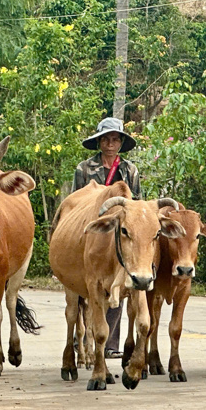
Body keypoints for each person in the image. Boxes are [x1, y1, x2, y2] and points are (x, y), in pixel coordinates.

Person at [72, 117, 142, 358]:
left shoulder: (130, 170)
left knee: (118, 287)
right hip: (92, 228)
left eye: (115, 139)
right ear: (99, 142)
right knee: (84, 288)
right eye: (105, 139)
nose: (110, 143)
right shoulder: (84, 169)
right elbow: (75, 202)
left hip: (119, 233)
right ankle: (80, 337)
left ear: (121, 142)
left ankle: (111, 344)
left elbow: (136, 204)